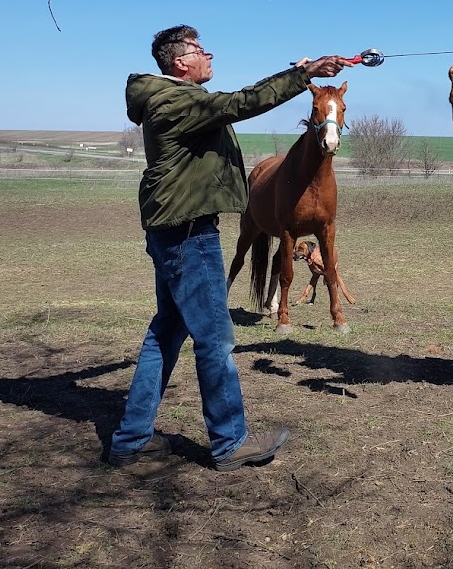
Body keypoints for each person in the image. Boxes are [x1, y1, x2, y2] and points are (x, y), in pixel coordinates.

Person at [107, 25, 353, 471]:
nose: (209, 54)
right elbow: (240, 103)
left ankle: (131, 438)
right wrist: (303, 76)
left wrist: (298, 71)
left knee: (165, 334)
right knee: (215, 338)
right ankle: (229, 441)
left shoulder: (166, 98)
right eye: (201, 50)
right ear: (180, 62)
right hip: (187, 233)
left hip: (173, 229)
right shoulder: (176, 101)